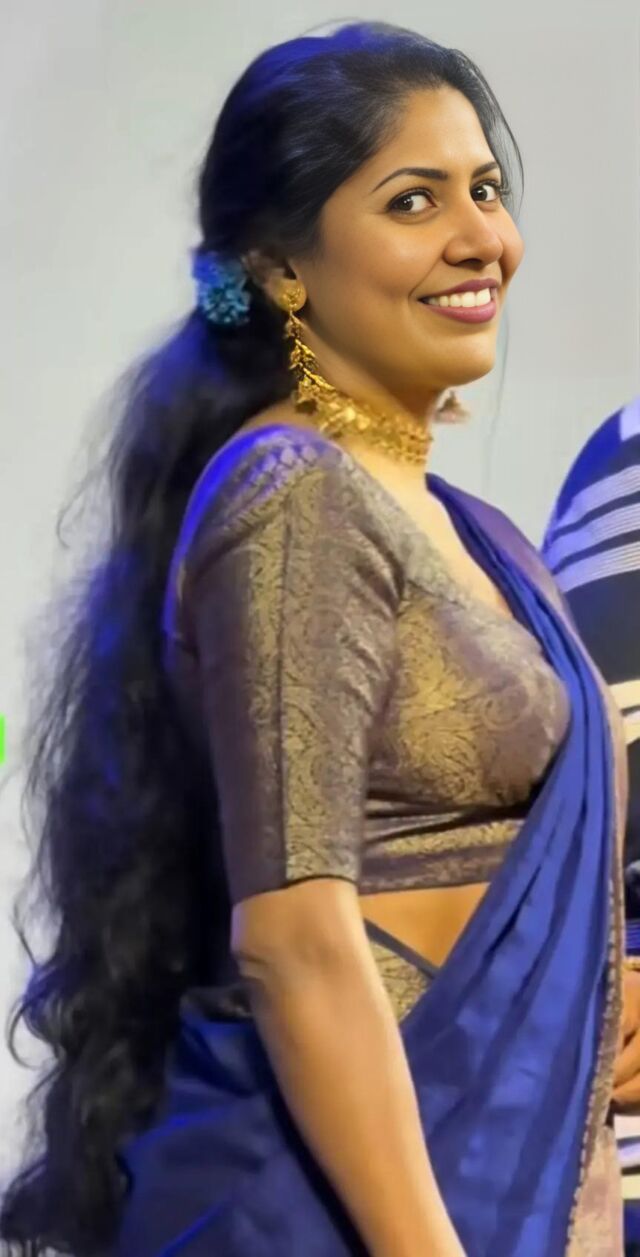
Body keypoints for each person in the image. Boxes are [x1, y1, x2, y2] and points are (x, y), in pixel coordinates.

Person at [0, 20, 632, 1257]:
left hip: (513, 1179)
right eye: (413, 200)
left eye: (485, 190)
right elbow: (295, 942)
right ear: (282, 265)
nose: (480, 239)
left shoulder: (475, 531)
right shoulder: (294, 495)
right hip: (365, 1212)